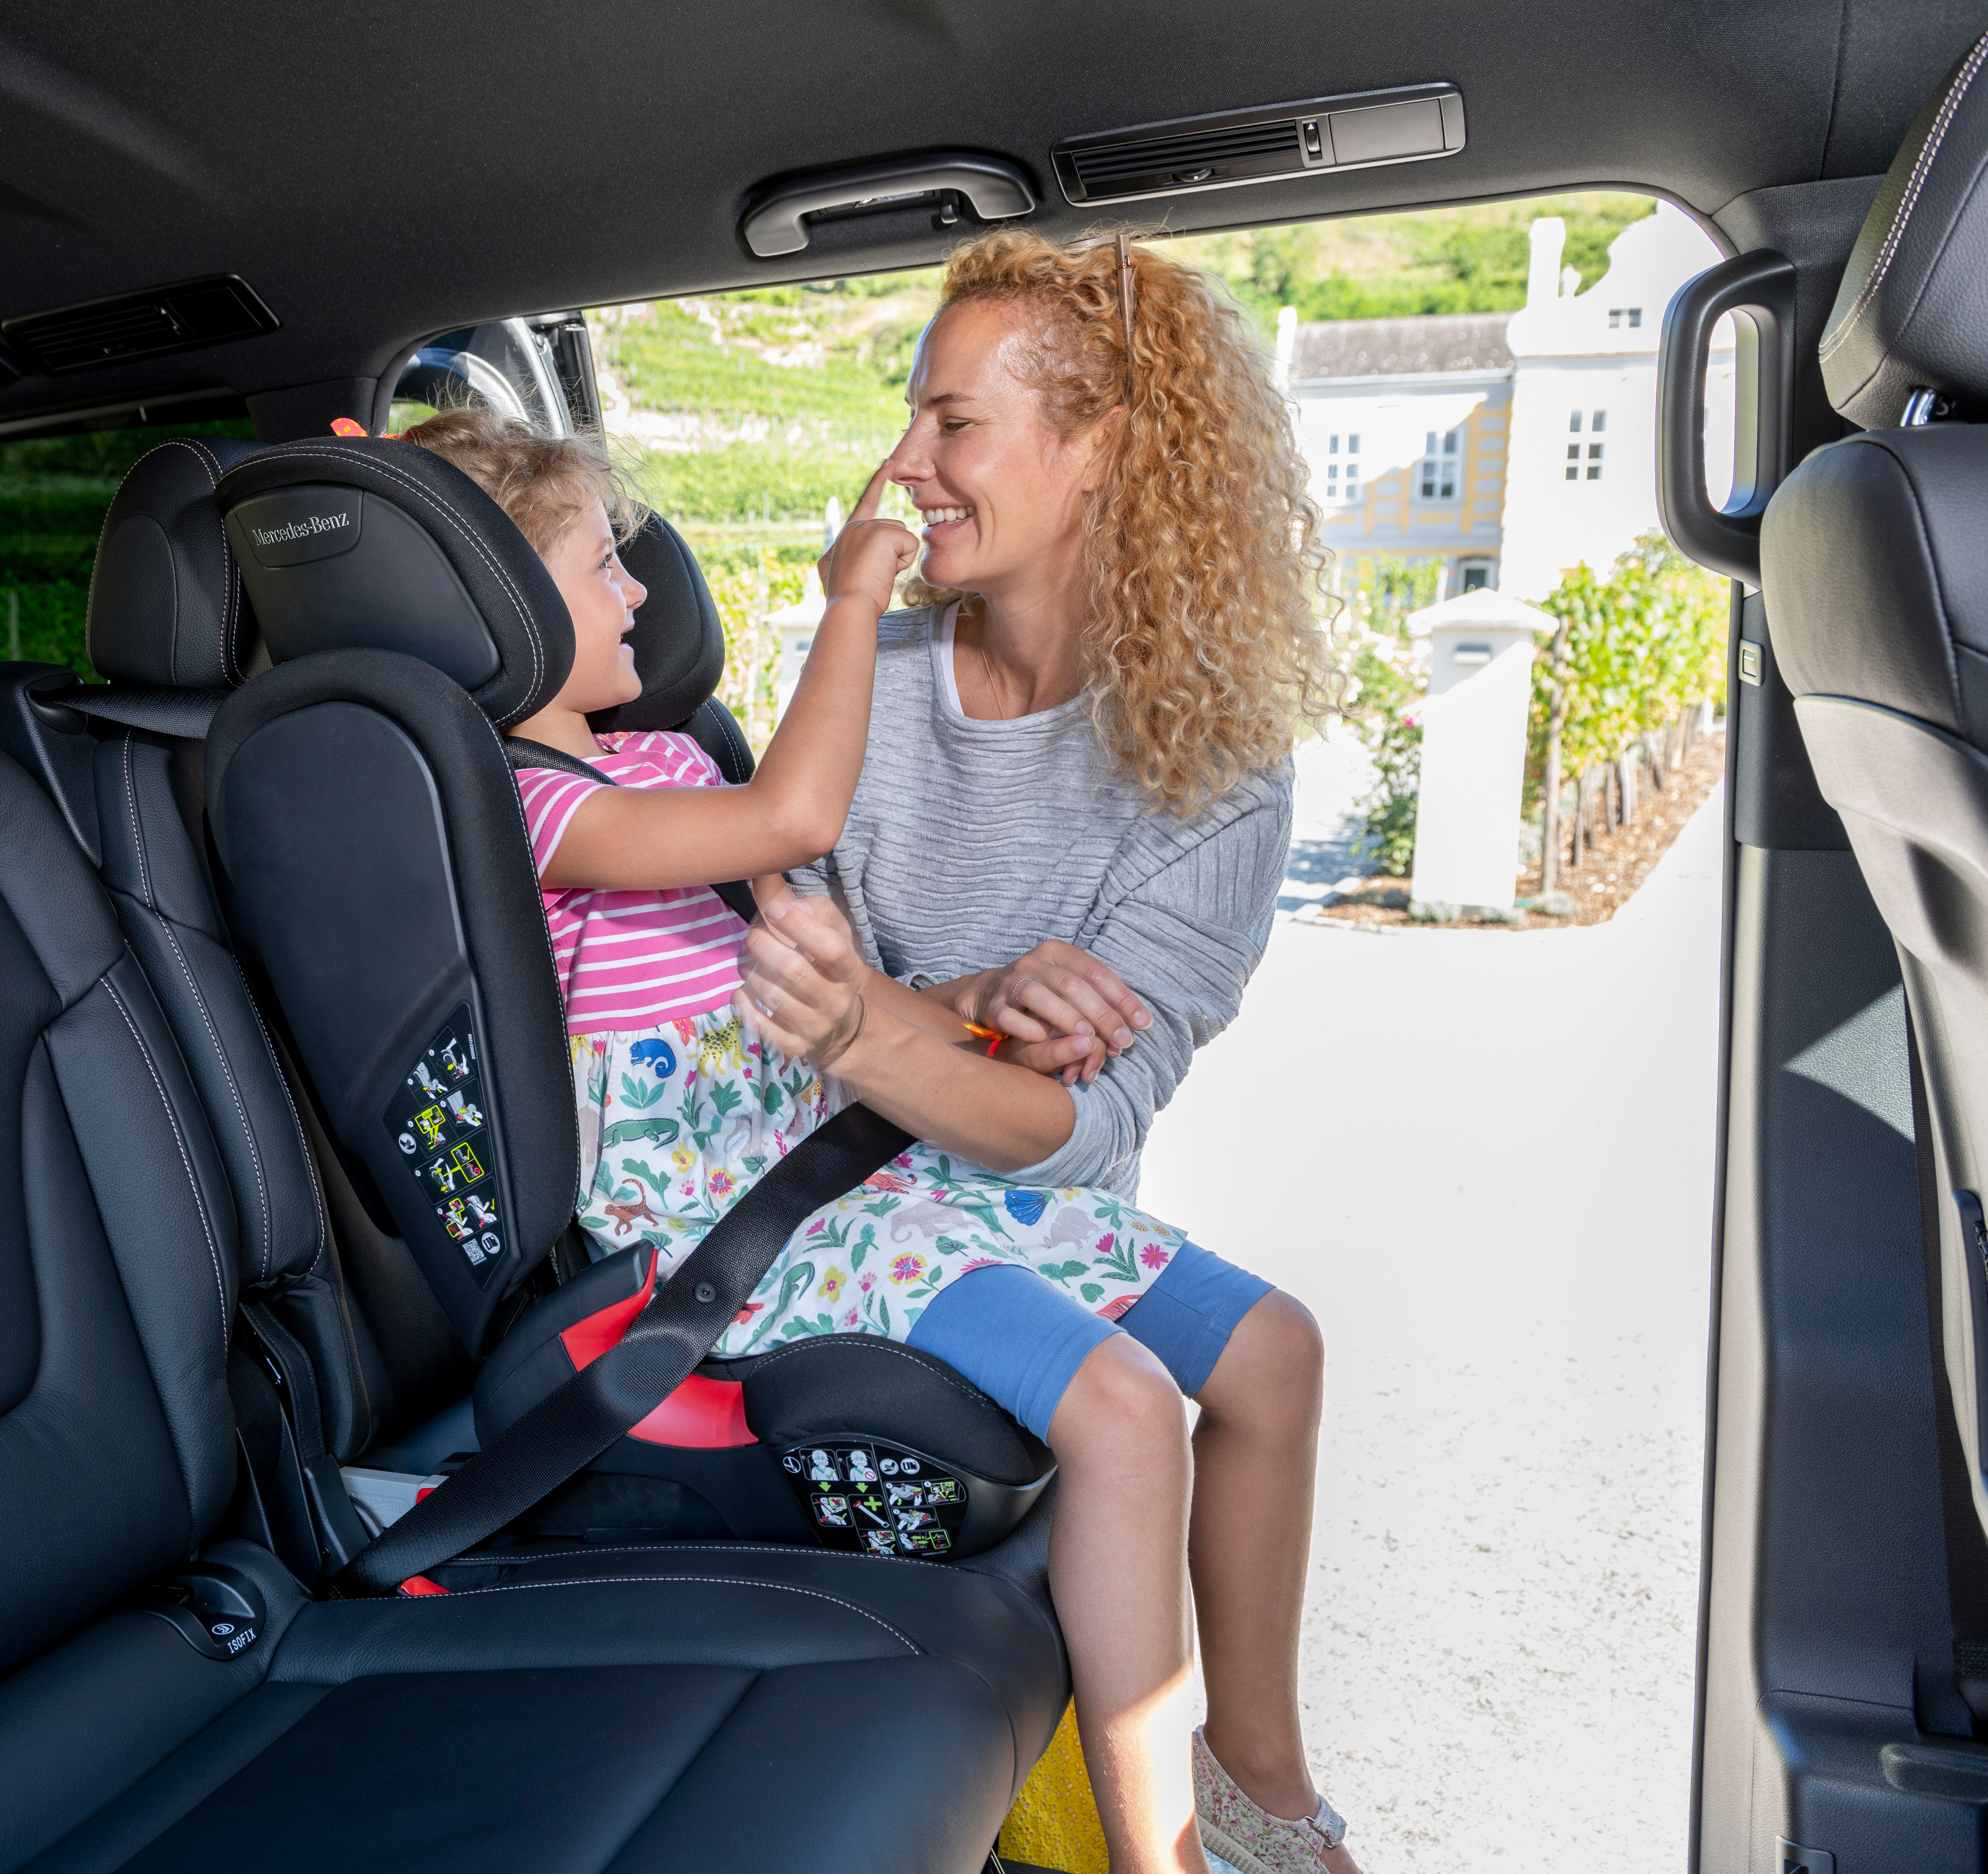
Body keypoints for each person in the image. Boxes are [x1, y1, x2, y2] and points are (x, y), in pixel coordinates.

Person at [403, 335, 1345, 1873]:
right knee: (1121, 1412)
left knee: (1272, 1347)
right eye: (599, 566)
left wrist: (976, 1002)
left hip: (835, 1160)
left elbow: (818, 968)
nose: (640, 591)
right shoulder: (526, 803)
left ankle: (1256, 1782)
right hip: (727, 1221)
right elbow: (796, 820)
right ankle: (1157, 1856)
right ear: (494, 613)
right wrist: (853, 600)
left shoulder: (659, 758)